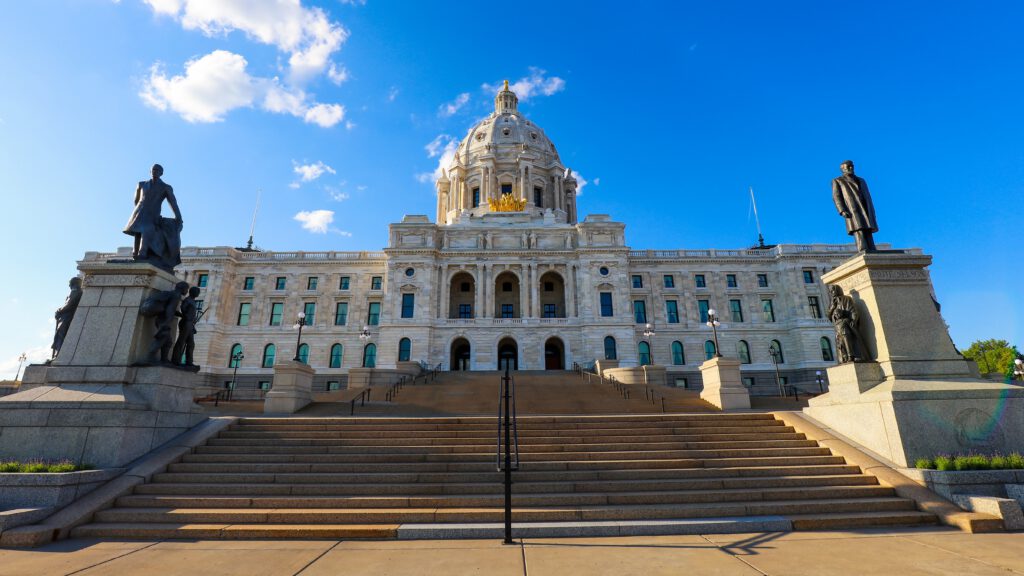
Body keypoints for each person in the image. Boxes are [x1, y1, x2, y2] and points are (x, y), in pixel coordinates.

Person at [124, 164, 183, 271]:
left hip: (153, 213)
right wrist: (139, 209)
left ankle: (142, 253)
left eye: (157, 170)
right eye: (153, 170)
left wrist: (178, 217)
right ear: (150, 171)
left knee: (147, 230)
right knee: (138, 232)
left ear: (161, 173)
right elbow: (136, 200)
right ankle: (135, 254)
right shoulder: (141, 184)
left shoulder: (166, 187)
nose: (155, 171)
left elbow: (173, 203)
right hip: (140, 211)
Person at [831, 160, 878, 252]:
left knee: (868, 228)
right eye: (848, 167)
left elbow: (868, 195)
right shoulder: (838, 181)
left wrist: (872, 210)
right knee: (858, 228)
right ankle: (863, 248)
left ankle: (871, 248)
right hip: (852, 208)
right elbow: (836, 197)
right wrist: (842, 210)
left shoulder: (861, 180)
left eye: (851, 166)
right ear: (843, 169)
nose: (851, 168)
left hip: (866, 207)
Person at [51, 277, 83, 360]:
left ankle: (58, 354)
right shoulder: (78, 291)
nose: (69, 285)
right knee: (60, 334)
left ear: (73, 283)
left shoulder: (75, 291)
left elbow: (69, 304)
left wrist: (59, 310)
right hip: (68, 316)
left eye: (70, 283)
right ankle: (58, 353)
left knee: (61, 334)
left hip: (67, 317)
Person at [172, 286, 201, 367]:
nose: (198, 294)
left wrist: (193, 322)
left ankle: (189, 361)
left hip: (190, 324)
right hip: (186, 322)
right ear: (193, 292)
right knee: (181, 341)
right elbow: (183, 308)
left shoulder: (193, 301)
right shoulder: (187, 300)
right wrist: (187, 317)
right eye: (197, 292)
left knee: (191, 343)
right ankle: (175, 360)